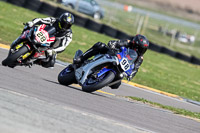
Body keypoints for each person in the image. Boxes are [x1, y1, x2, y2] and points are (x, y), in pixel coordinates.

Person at [73, 34, 149, 89]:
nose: (141, 51)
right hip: (112, 55)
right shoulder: (127, 42)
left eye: (143, 49)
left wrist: (130, 75)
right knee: (100, 45)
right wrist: (113, 44)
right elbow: (116, 43)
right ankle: (81, 58)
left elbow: (135, 69)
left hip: (120, 67)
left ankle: (100, 80)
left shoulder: (140, 58)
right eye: (140, 48)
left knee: (117, 84)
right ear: (134, 44)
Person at [10, 12, 74, 68]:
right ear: (60, 20)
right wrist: (32, 22)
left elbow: (63, 46)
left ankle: (34, 61)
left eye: (68, 25)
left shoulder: (69, 34)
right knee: (28, 27)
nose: (65, 26)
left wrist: (54, 50)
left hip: (51, 46)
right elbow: (40, 20)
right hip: (41, 34)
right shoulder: (53, 20)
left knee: (50, 63)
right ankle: (18, 40)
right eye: (64, 24)